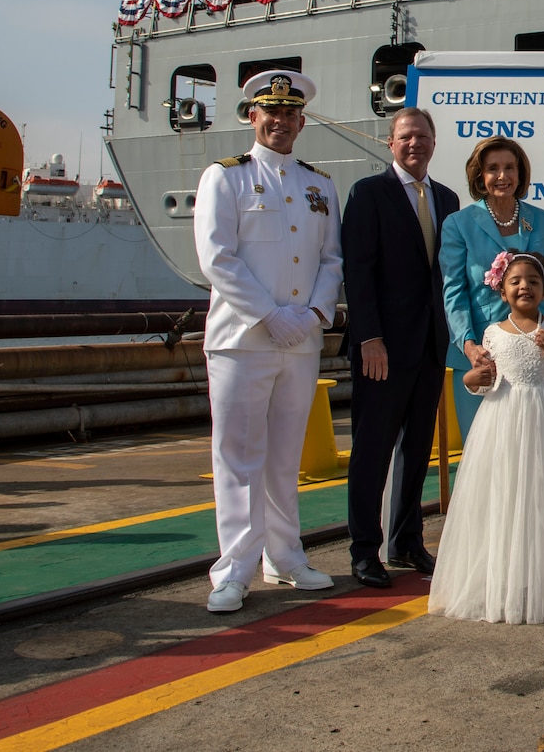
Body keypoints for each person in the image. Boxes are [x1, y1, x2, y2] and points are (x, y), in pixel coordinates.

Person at [193, 70, 343, 613]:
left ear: (303, 120)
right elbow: (217, 257)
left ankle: (285, 557)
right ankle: (232, 570)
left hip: (299, 341)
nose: (280, 121)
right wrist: (269, 315)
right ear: (252, 117)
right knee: (238, 456)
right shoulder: (225, 177)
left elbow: (331, 259)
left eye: (290, 113)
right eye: (270, 112)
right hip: (241, 339)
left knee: (284, 457)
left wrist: (312, 315)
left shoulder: (318, 184)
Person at [428, 252, 544, 624]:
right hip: (503, 423)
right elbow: (484, 382)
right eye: (515, 281)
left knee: (541, 500)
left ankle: (538, 584)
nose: (525, 287)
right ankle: (504, 583)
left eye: (533, 281)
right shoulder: (491, 334)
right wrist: (471, 380)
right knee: (504, 498)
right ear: (502, 290)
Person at [341, 107, 461, 589]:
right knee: (372, 449)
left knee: (417, 450)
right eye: (406, 136)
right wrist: (368, 337)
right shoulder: (368, 195)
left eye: (423, 136)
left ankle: (407, 540)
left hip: (431, 346)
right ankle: (364, 549)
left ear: (434, 143)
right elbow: (358, 271)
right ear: (390, 142)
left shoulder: (447, 199)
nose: (415, 144)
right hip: (382, 349)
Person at [440, 136, 544, 429]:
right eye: (493, 168)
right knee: (485, 456)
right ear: (479, 176)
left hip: (537, 357)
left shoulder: (543, 220)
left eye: (510, 167)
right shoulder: (458, 224)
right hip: (483, 359)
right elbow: (454, 292)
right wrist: (469, 346)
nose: (502, 176)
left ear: (520, 173)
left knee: (536, 451)